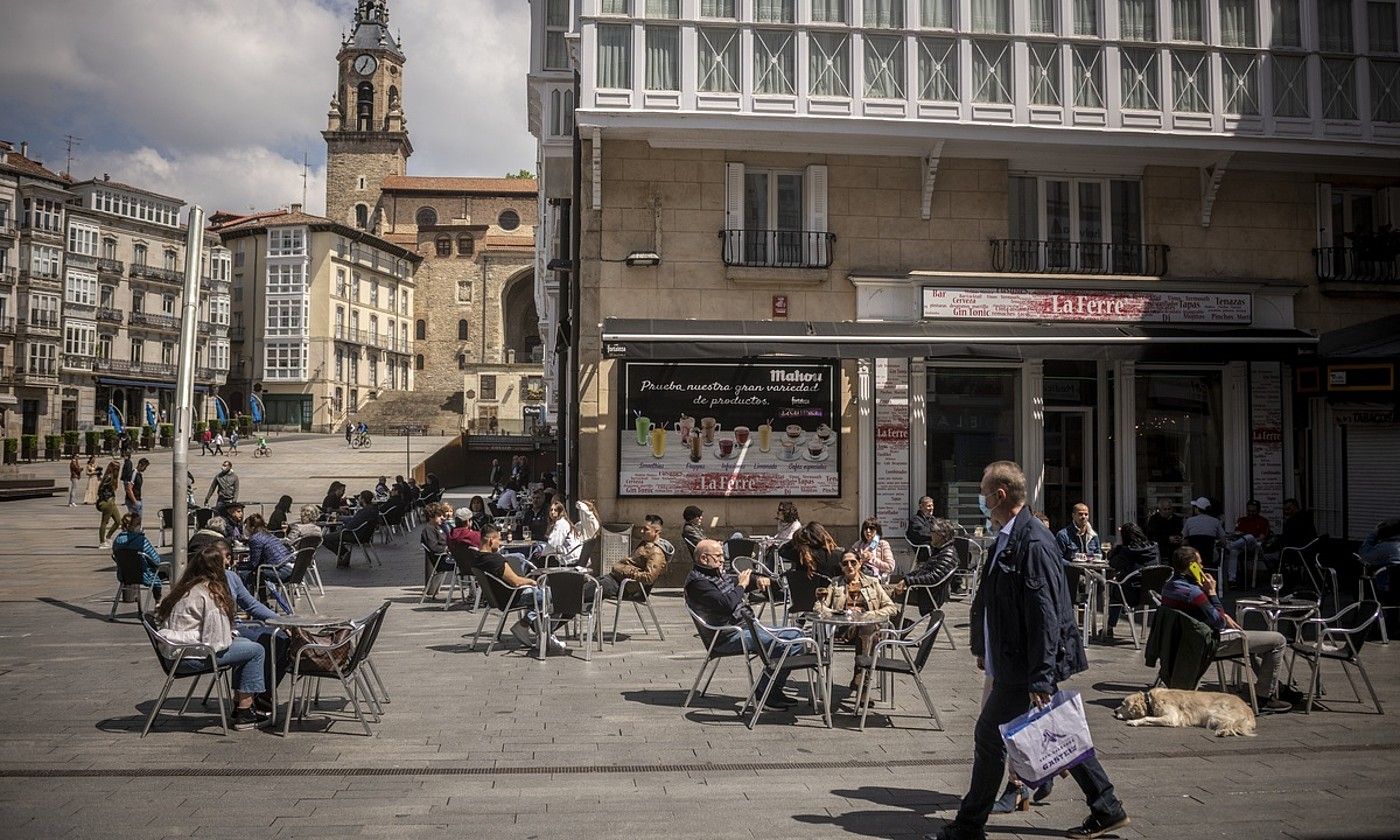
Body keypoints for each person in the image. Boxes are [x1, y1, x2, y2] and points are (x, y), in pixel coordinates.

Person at [934, 460, 1128, 840]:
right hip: (1011, 658)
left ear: (999, 495)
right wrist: (983, 645)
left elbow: (1045, 615)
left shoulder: (1034, 540)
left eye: (984, 492)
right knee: (1060, 733)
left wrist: (1040, 675)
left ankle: (969, 826)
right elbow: (993, 598)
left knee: (989, 736)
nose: (981, 500)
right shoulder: (1010, 534)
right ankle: (1107, 806)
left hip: (1023, 665)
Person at [1159, 546, 1292, 714]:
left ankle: (1274, 687)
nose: (1202, 566)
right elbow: (1220, 622)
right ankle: (1265, 697)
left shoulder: (1168, 587)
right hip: (1207, 644)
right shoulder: (1194, 593)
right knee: (1277, 640)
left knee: (1255, 644)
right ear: (1192, 566)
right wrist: (1212, 593)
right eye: (1199, 563)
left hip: (1181, 644)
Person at [155, 544, 270, 730]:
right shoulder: (210, 594)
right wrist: (231, 635)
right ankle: (245, 711)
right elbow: (217, 641)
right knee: (256, 650)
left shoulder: (187, 587)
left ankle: (240, 702)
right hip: (191, 656)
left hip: (176, 652)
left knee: (246, 644)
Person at [685, 538, 806, 710]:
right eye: (718, 556)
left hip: (745, 627)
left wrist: (756, 580)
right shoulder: (699, 583)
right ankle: (766, 693)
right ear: (704, 558)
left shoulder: (714, 573)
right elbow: (728, 604)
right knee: (788, 643)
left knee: (798, 635)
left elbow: (732, 583)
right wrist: (742, 585)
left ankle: (770, 689)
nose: (722, 560)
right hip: (727, 636)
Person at [817, 550, 900, 704]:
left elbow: (891, 608)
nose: (849, 566)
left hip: (866, 627)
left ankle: (861, 680)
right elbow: (819, 607)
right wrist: (839, 613)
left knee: (868, 629)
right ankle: (862, 686)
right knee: (871, 632)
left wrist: (870, 614)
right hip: (843, 629)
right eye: (845, 563)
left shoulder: (872, 582)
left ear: (860, 563)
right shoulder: (835, 583)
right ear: (841, 567)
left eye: (853, 562)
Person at [474, 524, 568, 655]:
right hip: (513, 597)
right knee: (557, 596)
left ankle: (526, 624)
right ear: (491, 540)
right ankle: (544, 636)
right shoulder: (495, 559)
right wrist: (532, 581)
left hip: (497, 598)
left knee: (543, 598)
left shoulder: (477, 558)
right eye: (499, 539)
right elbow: (516, 581)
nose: (500, 543)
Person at [1100, 523, 1160, 642]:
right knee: (1120, 586)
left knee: (1114, 588)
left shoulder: (1128, 551)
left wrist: (1118, 549)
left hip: (1131, 594)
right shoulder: (1154, 547)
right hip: (1152, 593)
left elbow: (1113, 564)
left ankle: (1109, 626)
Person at [891, 516, 960, 615]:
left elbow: (933, 578)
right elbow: (923, 570)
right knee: (879, 589)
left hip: (927, 595)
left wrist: (908, 581)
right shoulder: (939, 551)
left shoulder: (947, 555)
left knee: (880, 596)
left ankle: (897, 623)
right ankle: (896, 623)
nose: (930, 535)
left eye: (932, 532)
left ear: (941, 535)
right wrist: (906, 578)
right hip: (921, 590)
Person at [600, 514, 668, 599]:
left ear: (657, 532)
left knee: (583, 593)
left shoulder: (656, 553)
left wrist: (625, 570)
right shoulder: (645, 544)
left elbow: (649, 578)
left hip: (622, 586)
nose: (642, 531)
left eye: (646, 529)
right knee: (584, 588)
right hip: (614, 579)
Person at [111, 512, 165, 600]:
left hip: (124, 575)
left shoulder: (117, 541)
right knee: (164, 571)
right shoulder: (141, 541)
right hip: (143, 574)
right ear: (133, 526)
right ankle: (158, 602)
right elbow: (156, 560)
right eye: (138, 524)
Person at [324, 490, 378, 567]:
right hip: (365, 535)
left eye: (359, 498)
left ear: (363, 499)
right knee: (334, 536)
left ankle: (344, 553)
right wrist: (342, 518)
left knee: (325, 538)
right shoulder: (372, 510)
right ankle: (343, 554)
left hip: (355, 535)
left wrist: (343, 525)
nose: (358, 500)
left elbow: (351, 525)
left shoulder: (364, 512)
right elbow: (355, 520)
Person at [243, 513, 294, 586]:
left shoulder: (255, 538)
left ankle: (247, 597)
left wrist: (238, 565)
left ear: (252, 527)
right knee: (258, 571)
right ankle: (261, 597)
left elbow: (253, 564)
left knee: (244, 574)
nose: (245, 528)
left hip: (281, 571)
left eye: (246, 526)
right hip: (292, 569)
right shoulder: (268, 534)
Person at [542, 500, 583, 565]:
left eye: (555, 510)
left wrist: (542, 553)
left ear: (560, 512)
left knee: (536, 560)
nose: (552, 512)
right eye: (551, 510)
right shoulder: (562, 522)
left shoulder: (561, 524)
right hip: (569, 556)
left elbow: (554, 543)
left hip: (568, 559)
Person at [95, 461, 123, 548]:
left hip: (111, 501)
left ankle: (108, 537)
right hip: (107, 502)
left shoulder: (112, 477)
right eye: (116, 469)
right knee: (104, 522)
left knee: (118, 521)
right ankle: (102, 542)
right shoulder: (109, 477)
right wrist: (106, 498)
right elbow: (101, 489)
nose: (118, 471)